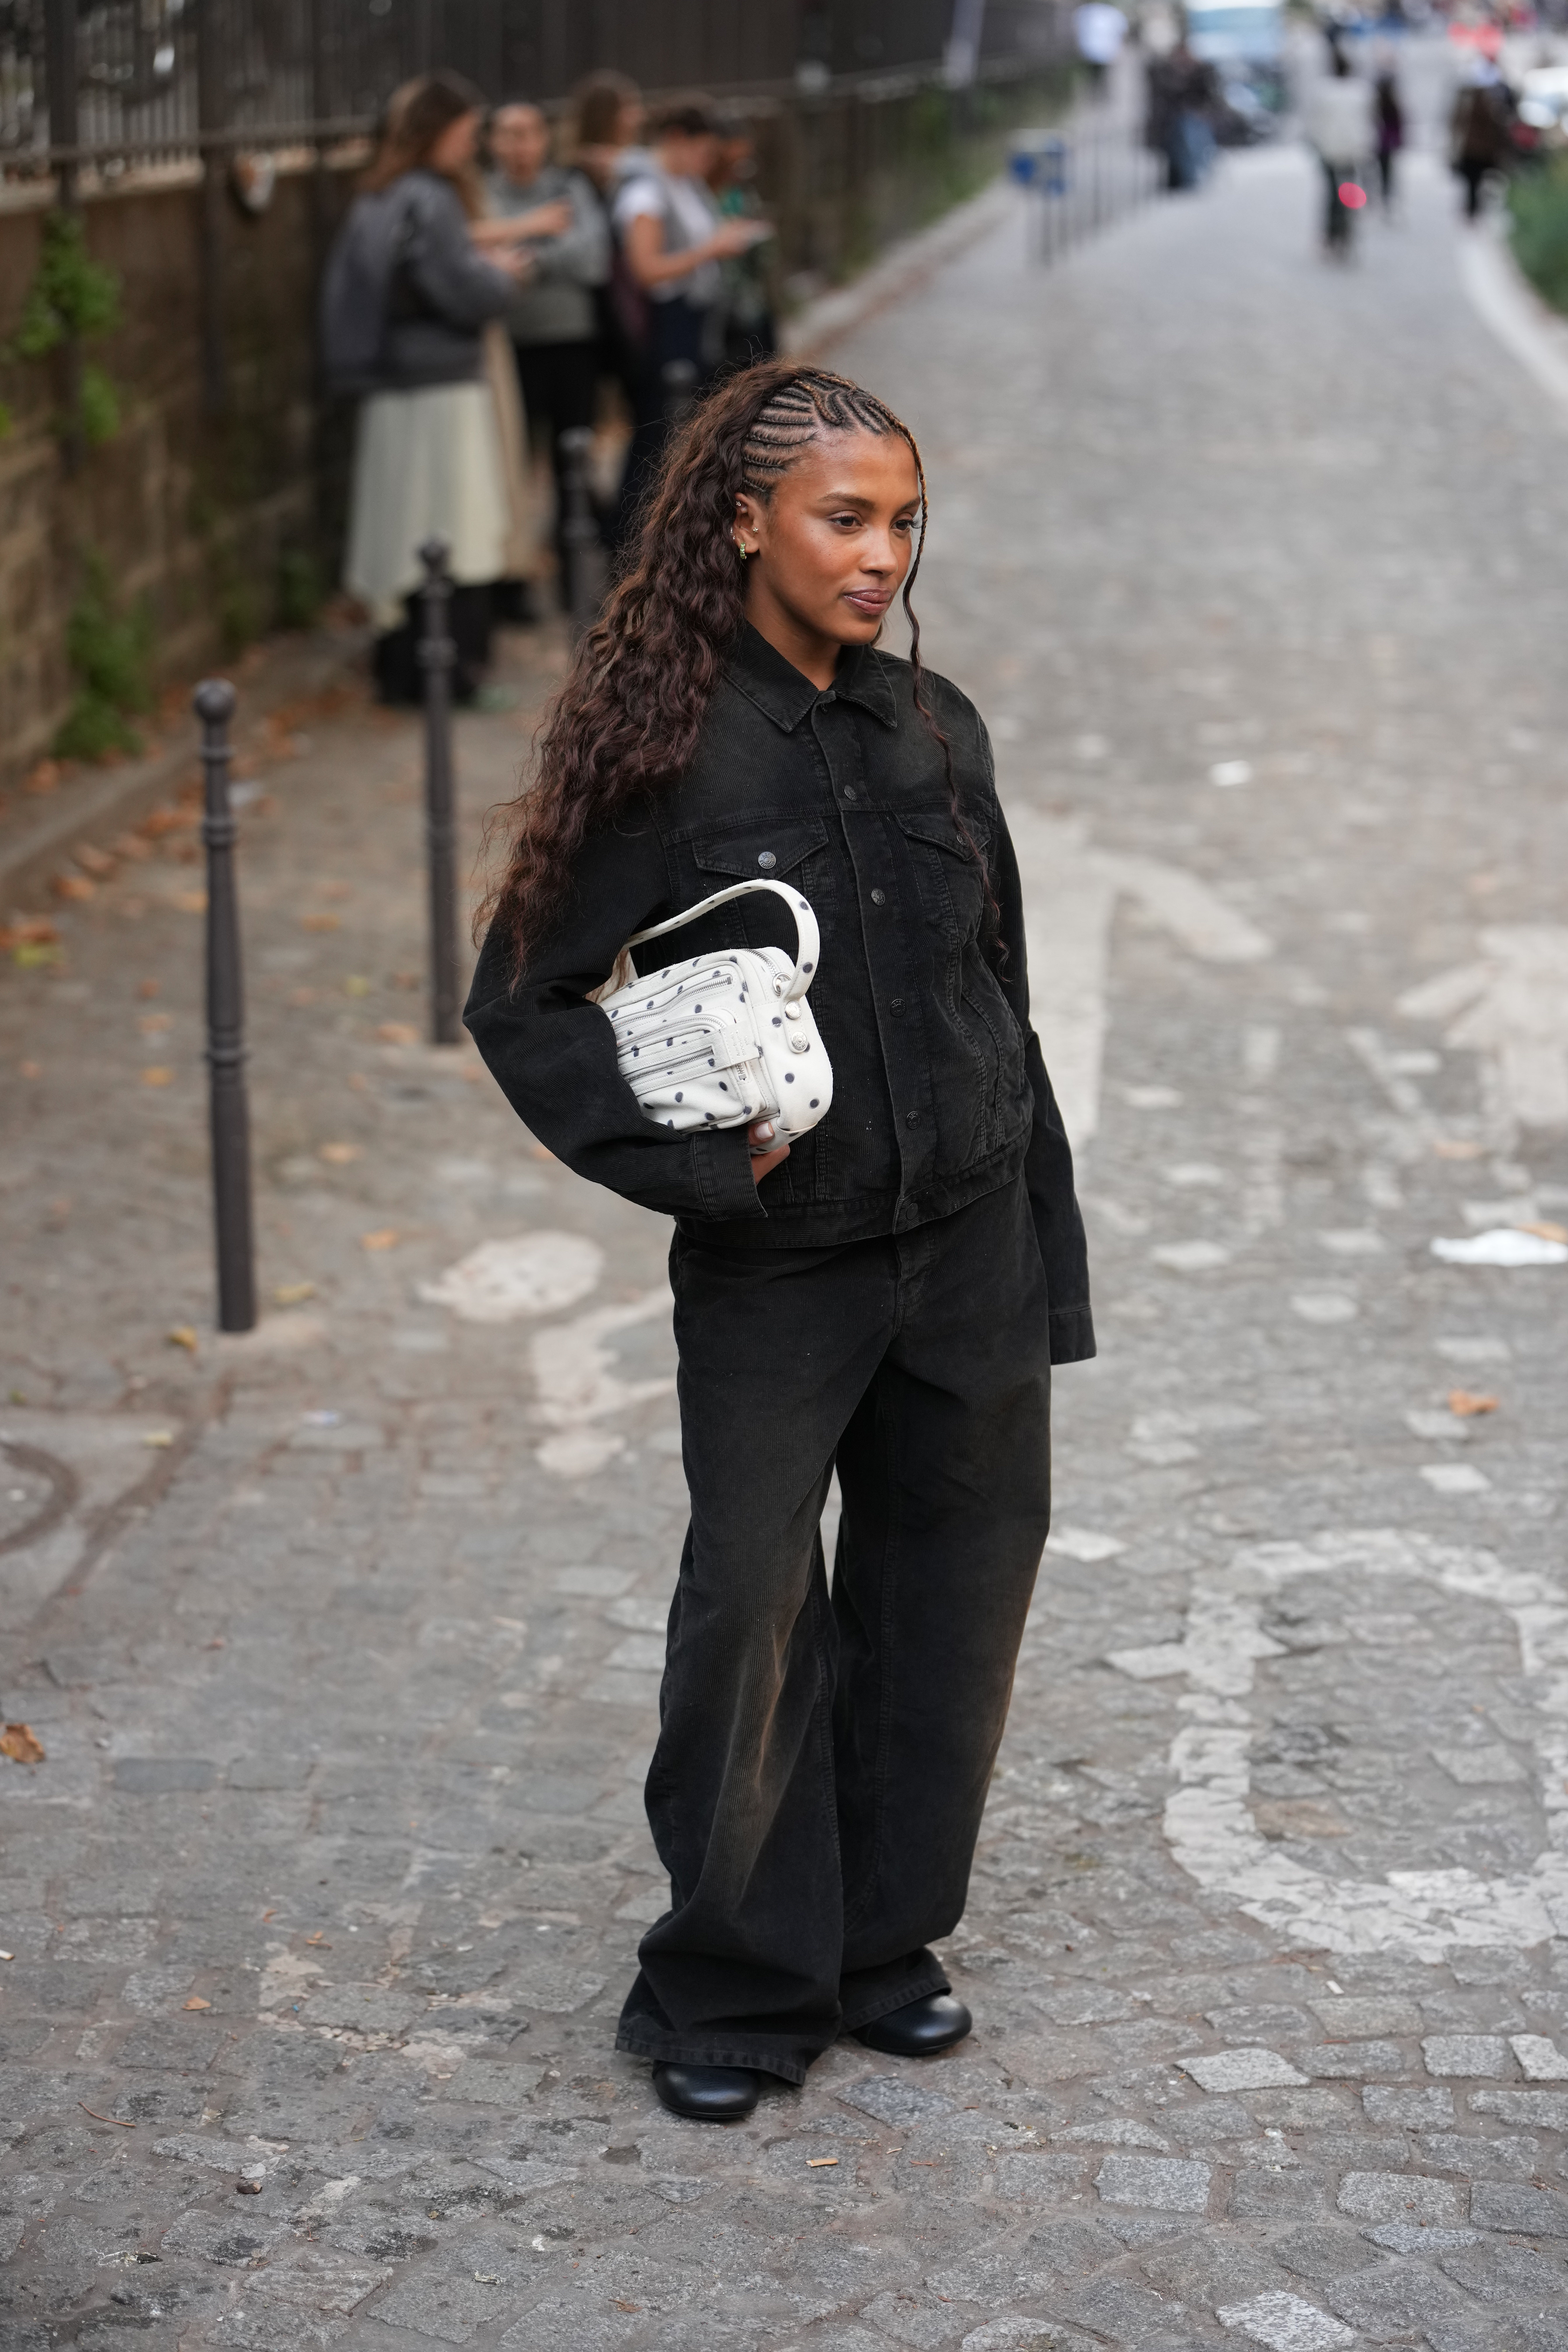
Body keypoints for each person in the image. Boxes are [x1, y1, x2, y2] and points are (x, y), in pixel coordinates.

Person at [465, 361, 1094, 2122]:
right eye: (842, 518)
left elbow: (1004, 996)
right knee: (748, 1605)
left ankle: (881, 1945)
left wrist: (1042, 1251)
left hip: (962, 1236)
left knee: (949, 1593)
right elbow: (521, 1004)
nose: (879, 554)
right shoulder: (663, 757)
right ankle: (734, 1983)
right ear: (742, 522)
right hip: (778, 1257)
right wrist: (691, 1168)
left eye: (900, 521)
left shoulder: (933, 727)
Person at [334, 72, 528, 704]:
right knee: (458, 528)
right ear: (440, 131)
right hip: (441, 386)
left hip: (392, 385)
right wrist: (502, 280)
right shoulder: (431, 198)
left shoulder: (378, 197)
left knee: (403, 529)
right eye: (468, 133)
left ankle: (401, 672)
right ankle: (452, 677)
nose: (470, 148)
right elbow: (455, 288)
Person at [610, 98, 767, 544]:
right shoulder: (646, 193)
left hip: (692, 318)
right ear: (677, 140)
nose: (705, 163)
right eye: (702, 152)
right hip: (663, 322)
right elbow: (647, 269)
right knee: (653, 432)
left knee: (677, 428)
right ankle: (626, 535)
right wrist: (710, 250)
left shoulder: (683, 185)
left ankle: (661, 528)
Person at [485, 99, 611, 589]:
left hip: (570, 344)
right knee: (511, 464)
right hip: (509, 348)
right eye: (509, 134)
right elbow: (480, 254)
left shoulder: (569, 188)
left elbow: (593, 259)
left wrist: (527, 262)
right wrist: (545, 242)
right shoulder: (481, 193)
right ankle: (510, 581)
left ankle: (571, 578)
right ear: (492, 142)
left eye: (529, 133)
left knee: (571, 463)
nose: (520, 145)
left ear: (544, 139)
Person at [708, 109, 777, 368]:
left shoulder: (739, 189)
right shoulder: (700, 192)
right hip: (722, 305)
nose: (740, 166)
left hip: (749, 300)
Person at [1304, 50, 1374, 255]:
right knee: (1349, 191)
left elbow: (1315, 123)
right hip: (1354, 149)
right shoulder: (1362, 91)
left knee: (1332, 194)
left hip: (1329, 149)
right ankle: (1346, 231)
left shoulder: (1323, 91)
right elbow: (1368, 121)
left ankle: (1333, 233)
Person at [1450, 55, 1516, 222]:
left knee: (1475, 183)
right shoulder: (1486, 101)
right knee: (1476, 183)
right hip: (1478, 150)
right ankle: (1474, 212)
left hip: (1475, 150)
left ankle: (1474, 212)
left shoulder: (1473, 100)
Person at [1146, 41, 1220, 190]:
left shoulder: (1203, 70)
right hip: (1172, 121)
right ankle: (1185, 178)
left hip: (1198, 118)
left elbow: (1210, 95)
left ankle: (1194, 176)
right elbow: (1165, 95)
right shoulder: (1167, 72)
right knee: (1180, 146)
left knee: (1193, 140)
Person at [1073, 0, 1129, 99]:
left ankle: (1097, 96)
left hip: (1094, 52)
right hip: (1101, 52)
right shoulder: (1111, 12)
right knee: (1099, 77)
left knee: (1096, 76)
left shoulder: (1087, 10)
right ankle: (1099, 96)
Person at [1373, 63, 1404, 210]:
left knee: (1378, 171)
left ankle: (1380, 196)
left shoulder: (1376, 104)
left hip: (1379, 143)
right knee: (1387, 172)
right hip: (1387, 143)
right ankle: (1386, 196)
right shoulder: (1392, 104)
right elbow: (1399, 126)